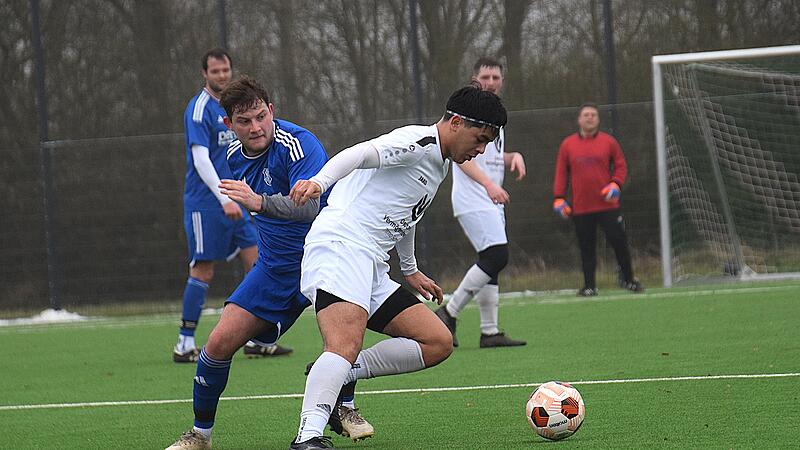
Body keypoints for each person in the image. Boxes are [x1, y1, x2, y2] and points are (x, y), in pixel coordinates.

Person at [286, 85, 507, 449]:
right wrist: (319, 181)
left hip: (371, 264)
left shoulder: (440, 163)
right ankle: (308, 436)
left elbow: (407, 213)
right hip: (342, 246)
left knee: (437, 341)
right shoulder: (418, 141)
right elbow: (359, 153)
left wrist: (409, 268)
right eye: (480, 138)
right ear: (455, 122)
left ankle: (344, 373)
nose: (481, 150)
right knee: (344, 343)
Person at [166, 76, 372, 450]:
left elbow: (311, 207)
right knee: (217, 344)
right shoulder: (232, 157)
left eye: (261, 116)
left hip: (327, 259)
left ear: (271, 111)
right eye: (244, 121)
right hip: (275, 269)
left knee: (348, 338)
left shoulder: (297, 144)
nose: (256, 127)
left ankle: (343, 405)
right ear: (229, 125)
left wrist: (258, 201)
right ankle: (200, 435)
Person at [176, 48, 290, 363]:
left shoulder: (237, 107)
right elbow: (200, 159)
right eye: (215, 72)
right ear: (205, 74)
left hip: (238, 199)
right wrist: (224, 197)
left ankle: (256, 338)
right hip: (207, 203)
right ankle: (184, 342)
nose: (222, 76)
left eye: (226, 70)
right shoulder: (199, 109)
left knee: (259, 262)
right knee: (203, 269)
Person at [435, 58, 527, 349]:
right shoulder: (471, 113)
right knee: (496, 256)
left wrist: (510, 157)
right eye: (485, 76)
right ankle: (448, 313)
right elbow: (460, 159)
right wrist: (489, 185)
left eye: (496, 77)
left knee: (492, 261)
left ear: (502, 81)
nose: (491, 81)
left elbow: (488, 156)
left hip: (489, 199)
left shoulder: (495, 115)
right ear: (475, 78)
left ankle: (490, 331)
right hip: (474, 198)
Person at [552, 102, 644, 296]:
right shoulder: (567, 145)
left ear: (598, 119)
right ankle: (589, 286)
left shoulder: (608, 142)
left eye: (593, 114)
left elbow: (621, 166)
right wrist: (559, 197)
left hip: (608, 206)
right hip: (582, 208)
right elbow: (561, 172)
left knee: (619, 242)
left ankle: (629, 280)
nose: (590, 117)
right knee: (586, 248)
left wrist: (616, 184)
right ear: (579, 119)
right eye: (586, 114)